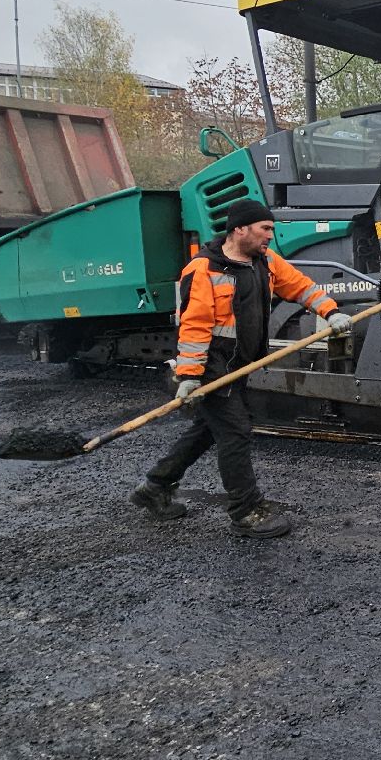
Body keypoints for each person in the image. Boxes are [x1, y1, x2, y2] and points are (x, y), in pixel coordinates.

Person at [131, 199, 350, 539]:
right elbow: (194, 327)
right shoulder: (204, 270)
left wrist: (330, 312)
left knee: (207, 429)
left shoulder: (266, 261)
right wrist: (189, 377)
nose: (270, 236)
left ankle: (155, 486)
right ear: (240, 229)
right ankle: (246, 511)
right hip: (212, 367)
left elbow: (301, 286)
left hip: (238, 364)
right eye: (265, 229)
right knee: (235, 432)